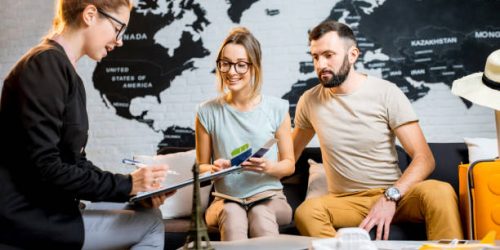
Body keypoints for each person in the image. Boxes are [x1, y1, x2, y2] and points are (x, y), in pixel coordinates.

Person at [0, 0, 174, 249]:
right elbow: (47, 167)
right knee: (152, 225)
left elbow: (73, 161)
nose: (120, 40)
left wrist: (133, 187)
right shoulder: (45, 65)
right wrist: (127, 185)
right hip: (30, 218)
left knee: (148, 214)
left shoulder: (63, 70)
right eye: (118, 28)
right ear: (90, 15)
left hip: (50, 209)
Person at [292, 20, 463, 240]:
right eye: (315, 57)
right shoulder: (309, 101)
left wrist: (390, 198)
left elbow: (425, 159)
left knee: (440, 191)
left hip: (397, 196)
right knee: (307, 212)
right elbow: (289, 155)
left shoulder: (386, 93)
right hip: (346, 202)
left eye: (328, 55)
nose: (320, 64)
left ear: (352, 55)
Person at [195, 27, 295, 241]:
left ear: (254, 66)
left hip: (270, 197)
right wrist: (213, 169)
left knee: (260, 214)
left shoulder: (277, 109)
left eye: (241, 64)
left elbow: (289, 164)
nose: (231, 72)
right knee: (232, 215)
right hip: (225, 199)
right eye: (226, 63)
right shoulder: (206, 112)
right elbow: (200, 168)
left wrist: (270, 167)